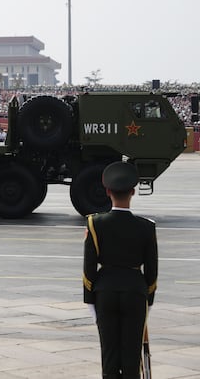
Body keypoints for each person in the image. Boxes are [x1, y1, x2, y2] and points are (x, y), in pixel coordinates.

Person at [83, 161, 158, 378]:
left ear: (107, 191)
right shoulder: (147, 226)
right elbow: (152, 271)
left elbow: (89, 268)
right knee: (132, 359)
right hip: (135, 293)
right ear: (133, 191)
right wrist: (148, 301)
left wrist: (90, 301)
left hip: (104, 293)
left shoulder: (95, 224)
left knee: (109, 357)